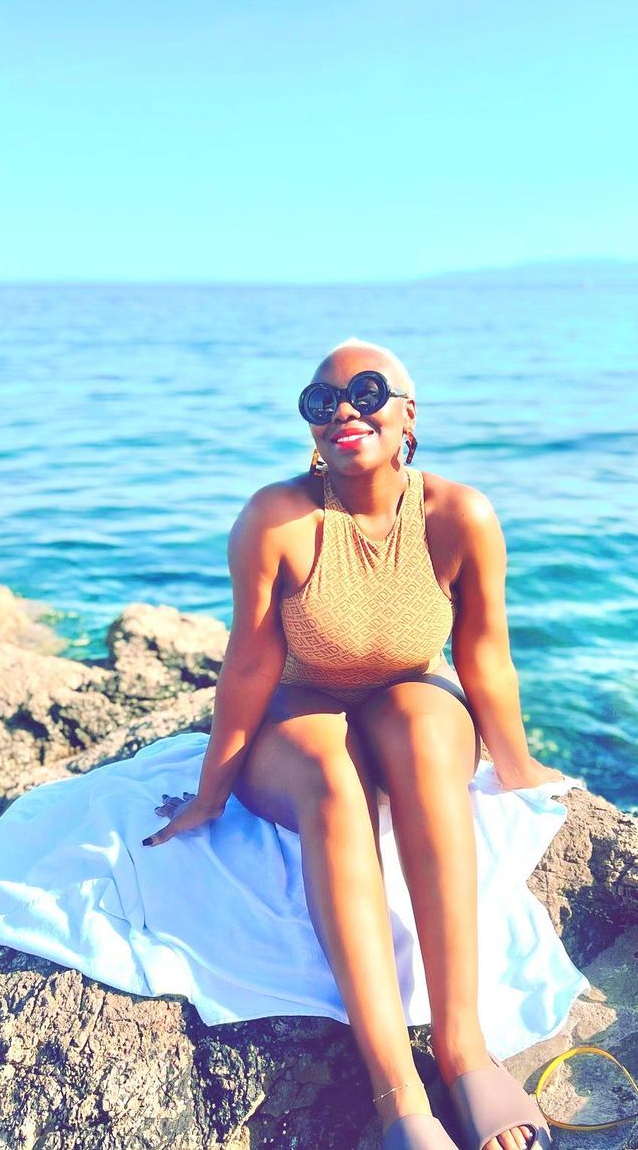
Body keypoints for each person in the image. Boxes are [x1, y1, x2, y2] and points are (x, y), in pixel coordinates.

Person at [141, 338, 578, 1150]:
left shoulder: (460, 515)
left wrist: (517, 765)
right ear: (311, 426)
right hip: (297, 710)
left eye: (367, 391)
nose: (344, 408)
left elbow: (484, 654)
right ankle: (398, 1097)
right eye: (322, 400)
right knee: (333, 781)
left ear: (409, 413)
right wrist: (209, 794)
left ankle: (464, 1049)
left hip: (410, 697)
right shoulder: (278, 519)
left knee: (423, 733)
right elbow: (249, 664)